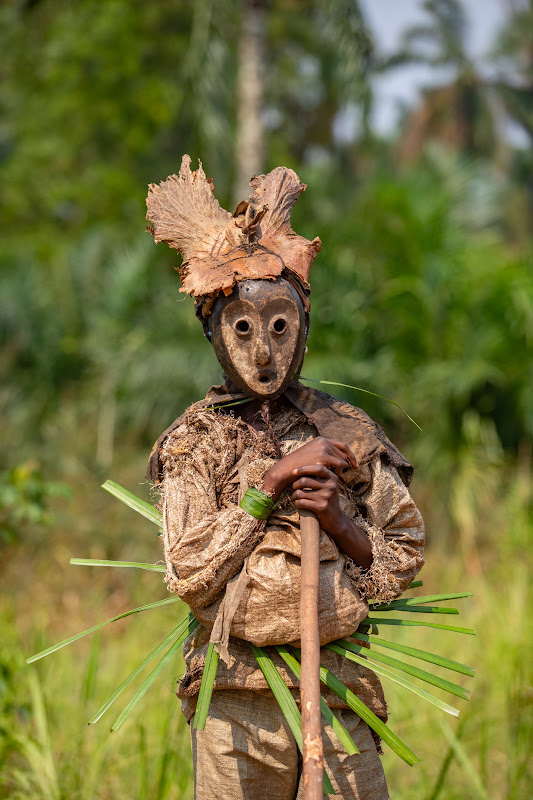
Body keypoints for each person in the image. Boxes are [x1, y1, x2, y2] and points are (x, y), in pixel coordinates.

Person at [146, 156, 425, 799]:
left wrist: (343, 522)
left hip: (337, 691)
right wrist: (268, 484)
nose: (264, 352)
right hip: (237, 704)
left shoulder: (346, 432)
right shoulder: (197, 440)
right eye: (243, 330)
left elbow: (402, 551)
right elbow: (188, 573)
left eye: (280, 327)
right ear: (214, 334)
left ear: (304, 327)